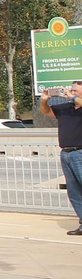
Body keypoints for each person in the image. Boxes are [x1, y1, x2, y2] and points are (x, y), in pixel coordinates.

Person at [38, 81, 82, 236]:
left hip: (80, 152)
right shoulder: (66, 108)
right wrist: (44, 100)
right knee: (74, 190)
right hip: (66, 153)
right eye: (71, 90)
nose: (71, 92)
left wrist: (72, 98)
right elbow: (47, 112)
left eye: (75, 90)